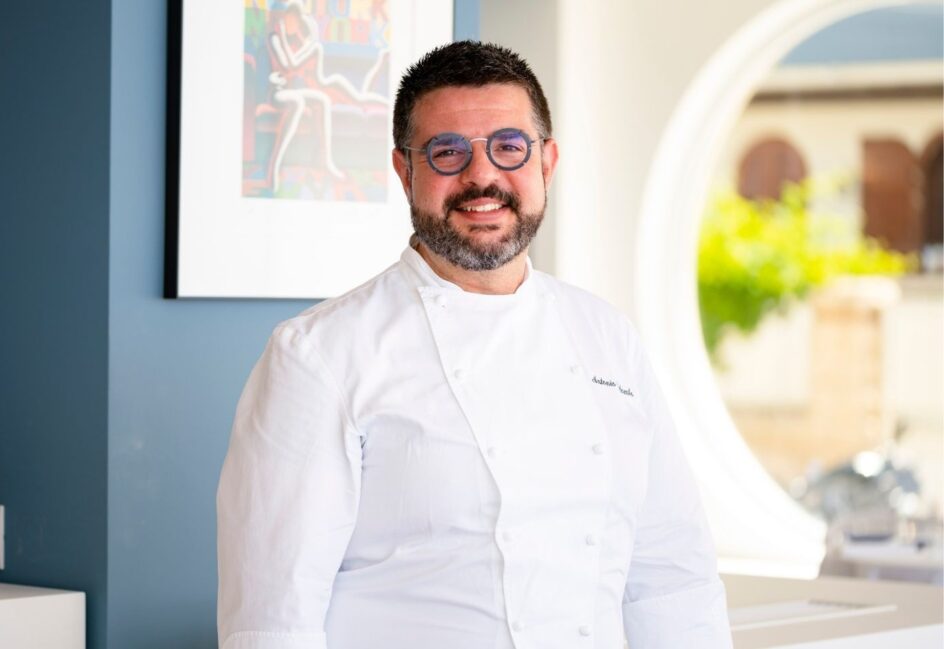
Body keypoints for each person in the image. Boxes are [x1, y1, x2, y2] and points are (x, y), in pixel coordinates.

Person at [217, 40, 733, 649]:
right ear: (405, 171)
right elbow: (274, 625)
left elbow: (672, 580)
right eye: (447, 152)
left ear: (547, 162)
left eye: (510, 147)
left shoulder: (607, 336)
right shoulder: (319, 356)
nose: (482, 176)